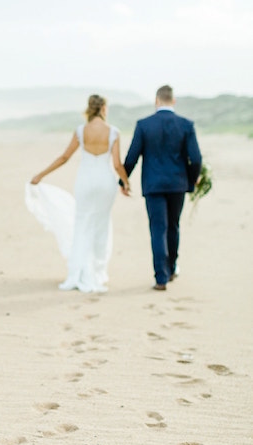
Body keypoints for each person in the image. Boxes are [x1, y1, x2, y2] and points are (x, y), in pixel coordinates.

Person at [27, 94, 130, 292]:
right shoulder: (113, 132)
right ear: (103, 109)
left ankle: (79, 272)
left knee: (82, 224)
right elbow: (117, 164)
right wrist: (125, 182)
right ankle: (98, 272)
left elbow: (65, 157)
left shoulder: (81, 131)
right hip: (105, 182)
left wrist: (40, 175)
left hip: (85, 181)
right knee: (101, 224)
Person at [122, 84, 202, 291]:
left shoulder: (144, 125)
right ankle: (172, 267)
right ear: (173, 101)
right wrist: (192, 180)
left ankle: (161, 278)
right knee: (173, 226)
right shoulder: (186, 124)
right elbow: (196, 158)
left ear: (156, 101)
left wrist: (124, 180)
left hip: (153, 184)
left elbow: (132, 156)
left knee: (158, 229)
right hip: (177, 185)